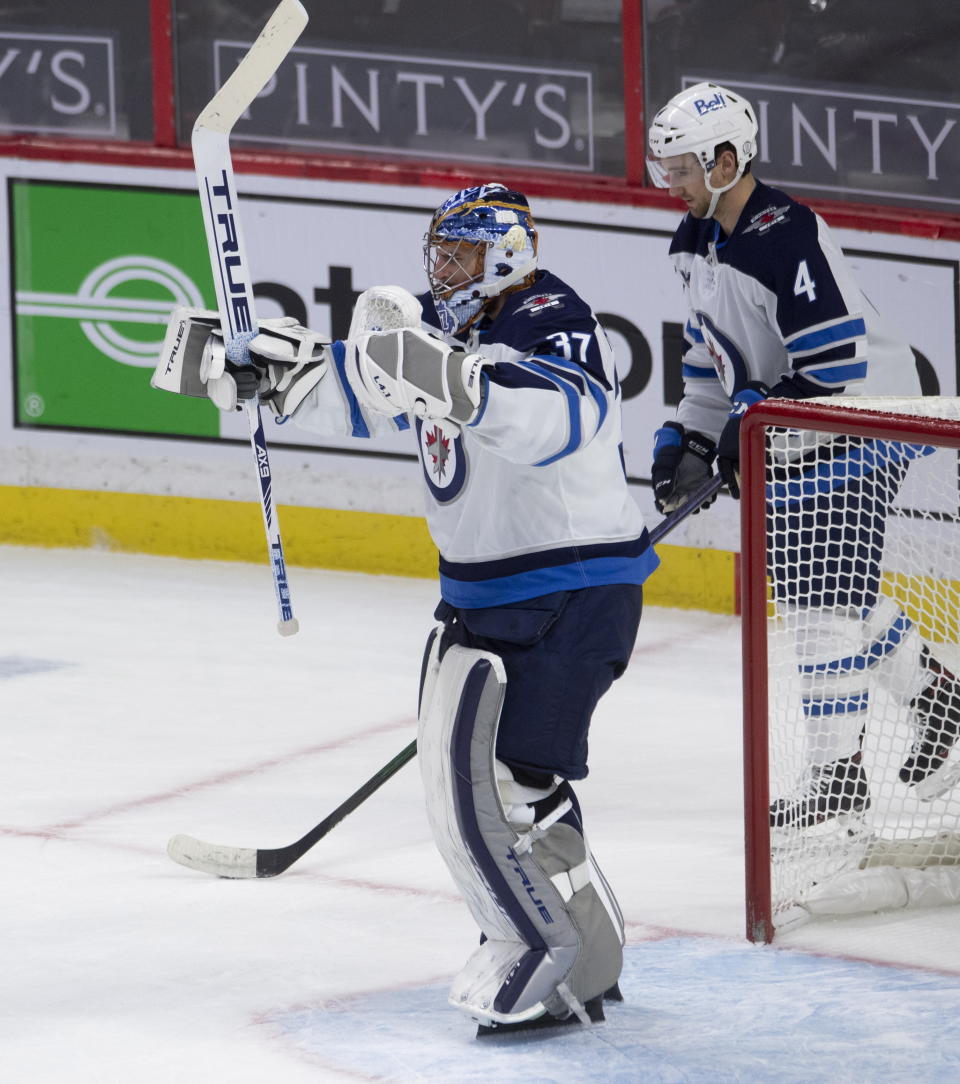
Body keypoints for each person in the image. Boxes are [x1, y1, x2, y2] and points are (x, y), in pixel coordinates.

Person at [153, 183, 658, 1035]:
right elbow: (354, 387)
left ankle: (552, 953)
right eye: (437, 252)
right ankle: (585, 951)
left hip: (571, 590)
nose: (441, 269)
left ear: (506, 254)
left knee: (503, 781)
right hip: (485, 591)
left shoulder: (551, 317)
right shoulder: (436, 320)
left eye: (459, 254)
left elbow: (557, 417)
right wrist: (257, 373)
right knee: (507, 784)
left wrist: (447, 379)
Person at [645, 82, 960, 831]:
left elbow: (832, 369)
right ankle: (940, 704)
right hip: (793, 423)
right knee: (826, 593)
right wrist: (690, 435)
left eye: (683, 167)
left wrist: (748, 426)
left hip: (867, 412)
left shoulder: (787, 235)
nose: (672, 184)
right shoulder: (693, 242)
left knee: (820, 603)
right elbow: (707, 364)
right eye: (666, 169)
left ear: (727, 159)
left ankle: (837, 783)